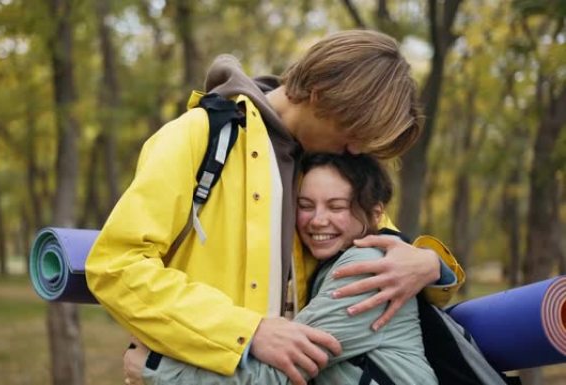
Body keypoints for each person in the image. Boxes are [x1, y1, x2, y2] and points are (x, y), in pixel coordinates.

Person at [85, 29, 463, 385]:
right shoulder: (197, 136)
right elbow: (116, 266)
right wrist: (246, 331)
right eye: (352, 137)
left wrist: (432, 265)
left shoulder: (326, 165)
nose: (355, 153)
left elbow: (377, 245)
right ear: (320, 95)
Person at [125, 152, 438, 385]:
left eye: (336, 206)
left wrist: (156, 369)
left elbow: (277, 377)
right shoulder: (331, 263)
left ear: (375, 213)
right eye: (305, 206)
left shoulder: (367, 268)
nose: (317, 220)